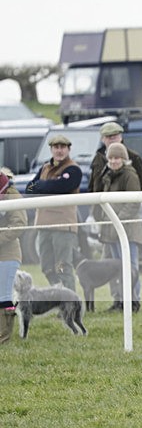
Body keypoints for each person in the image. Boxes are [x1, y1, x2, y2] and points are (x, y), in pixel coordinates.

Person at [92, 143, 142, 312]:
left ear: (124, 159)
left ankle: (134, 301)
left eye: (117, 158)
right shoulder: (108, 175)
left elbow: (133, 202)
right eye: (111, 158)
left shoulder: (130, 175)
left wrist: (117, 220)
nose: (114, 161)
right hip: (112, 230)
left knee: (130, 267)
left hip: (127, 230)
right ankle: (120, 301)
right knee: (117, 268)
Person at [25, 135, 82, 291]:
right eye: (56, 147)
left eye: (62, 147)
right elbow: (29, 188)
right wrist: (49, 185)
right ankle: (60, 297)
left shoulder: (73, 169)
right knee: (47, 267)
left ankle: (71, 305)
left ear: (68, 149)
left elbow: (63, 187)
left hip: (63, 226)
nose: (59, 150)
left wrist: (42, 186)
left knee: (63, 266)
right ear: (51, 149)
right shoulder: (44, 167)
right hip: (44, 225)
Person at [0, 169, 27, 344]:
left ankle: (4, 337)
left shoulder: (12, 194)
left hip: (7, 255)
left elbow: (19, 224)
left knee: (3, 296)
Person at [88, 122, 142, 194]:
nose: (112, 139)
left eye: (115, 136)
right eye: (108, 136)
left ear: (121, 137)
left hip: (123, 202)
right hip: (100, 201)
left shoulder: (133, 157)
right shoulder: (98, 158)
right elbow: (92, 185)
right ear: (102, 139)